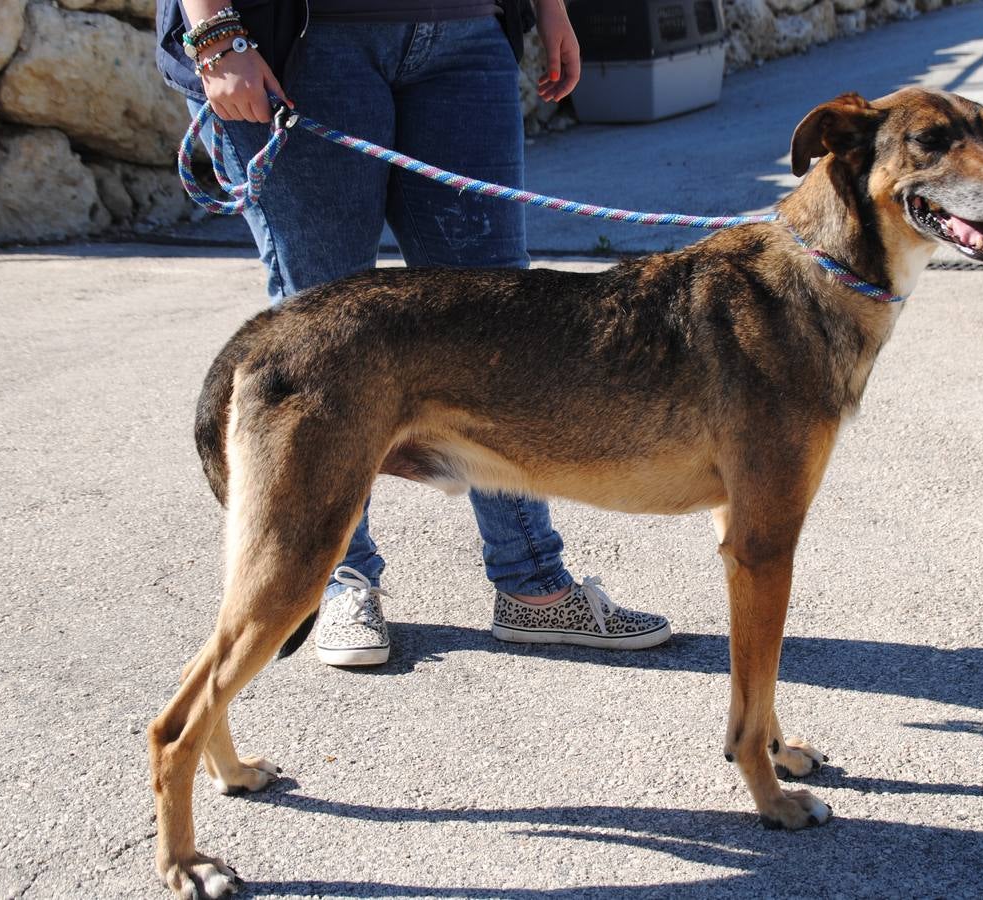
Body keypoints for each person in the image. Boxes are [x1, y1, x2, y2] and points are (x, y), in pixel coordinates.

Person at [155, 0, 672, 666]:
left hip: (464, 34)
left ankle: (532, 586)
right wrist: (217, 34)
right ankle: (341, 577)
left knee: (504, 329)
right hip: (305, 40)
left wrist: (550, 8)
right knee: (325, 337)